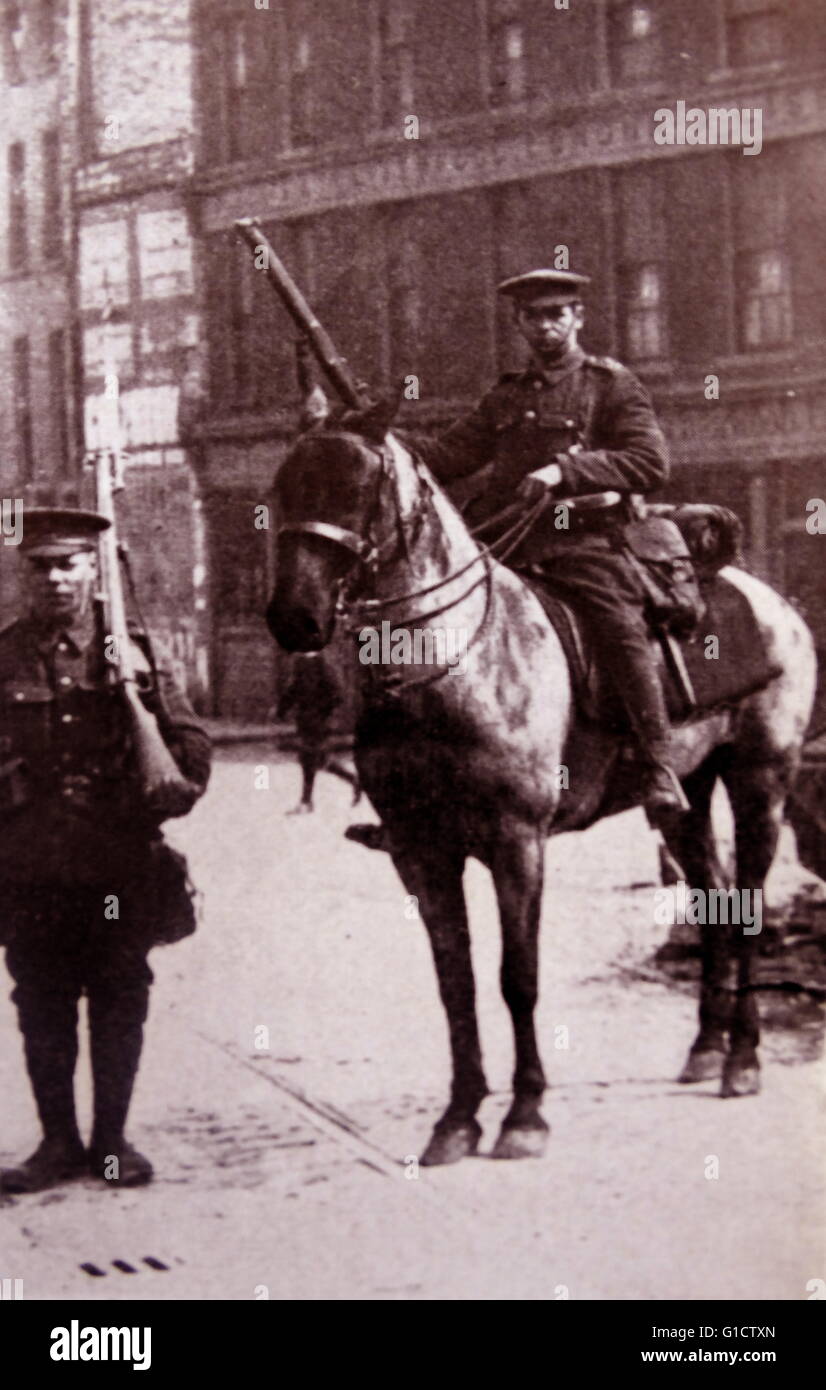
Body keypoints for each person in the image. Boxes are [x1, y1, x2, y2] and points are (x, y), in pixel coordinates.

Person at [413, 267, 689, 821]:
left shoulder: (610, 385)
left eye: (555, 314)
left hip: (582, 543)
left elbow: (649, 463)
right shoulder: (506, 396)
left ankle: (657, 764)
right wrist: (375, 434)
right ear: (518, 323)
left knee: (618, 630)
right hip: (506, 548)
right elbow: (449, 457)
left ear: (577, 317)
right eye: (532, 317)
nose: (544, 327)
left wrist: (563, 471)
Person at [0, 508, 211, 1194]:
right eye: (41, 566)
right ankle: (58, 1142)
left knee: (120, 994)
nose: (55, 578)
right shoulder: (4, 652)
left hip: (119, 862)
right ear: (24, 574)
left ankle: (112, 1140)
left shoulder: (136, 648)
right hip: (31, 865)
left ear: (94, 570)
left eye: (68, 564)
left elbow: (191, 753)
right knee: (41, 999)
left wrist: (141, 733)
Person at [278, 650, 359, 813]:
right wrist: (282, 709)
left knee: (309, 758)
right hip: (306, 720)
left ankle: (306, 801)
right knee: (316, 759)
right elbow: (294, 689)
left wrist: (323, 713)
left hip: (318, 721)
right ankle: (353, 780)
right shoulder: (300, 662)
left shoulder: (322, 664)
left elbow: (336, 694)